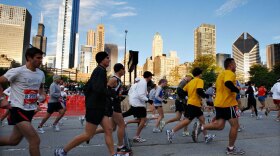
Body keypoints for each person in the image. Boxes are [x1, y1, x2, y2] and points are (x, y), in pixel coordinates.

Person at [54, 51, 116, 156]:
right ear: (101, 60)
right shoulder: (99, 71)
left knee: (109, 130)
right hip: (95, 108)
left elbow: (88, 87)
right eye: (107, 58)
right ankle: (62, 151)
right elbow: (98, 88)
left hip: (99, 107)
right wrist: (111, 91)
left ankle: (113, 154)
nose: (109, 60)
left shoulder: (101, 71)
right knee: (88, 135)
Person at [0, 47, 46, 156]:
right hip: (18, 109)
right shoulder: (17, 71)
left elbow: (41, 88)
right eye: (38, 58)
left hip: (30, 110)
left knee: (13, 141)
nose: (40, 60)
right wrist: (2, 99)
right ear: (29, 58)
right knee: (35, 140)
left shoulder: (41, 73)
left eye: (41, 58)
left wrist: (42, 95)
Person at [196, 58, 245, 155]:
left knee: (220, 126)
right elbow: (228, 83)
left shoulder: (221, 75)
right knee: (235, 126)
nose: (236, 66)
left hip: (219, 103)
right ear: (231, 65)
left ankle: (201, 127)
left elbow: (224, 86)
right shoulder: (230, 73)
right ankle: (230, 149)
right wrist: (237, 90)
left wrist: (235, 88)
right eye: (235, 64)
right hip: (228, 103)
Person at [166, 67, 214, 144]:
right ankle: (171, 131)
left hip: (192, 104)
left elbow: (180, 90)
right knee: (187, 121)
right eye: (201, 73)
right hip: (194, 104)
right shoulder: (200, 81)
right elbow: (199, 91)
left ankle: (206, 137)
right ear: (200, 74)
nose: (202, 75)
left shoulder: (190, 82)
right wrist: (206, 96)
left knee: (202, 119)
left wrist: (187, 96)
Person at [95, 63, 131, 154]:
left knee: (112, 128)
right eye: (123, 69)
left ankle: (91, 133)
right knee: (122, 125)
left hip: (115, 104)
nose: (125, 71)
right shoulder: (113, 79)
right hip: (113, 105)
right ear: (120, 70)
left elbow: (116, 92)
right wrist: (114, 97)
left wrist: (123, 94)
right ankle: (120, 146)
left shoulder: (118, 80)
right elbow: (106, 91)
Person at [123, 71, 153, 143]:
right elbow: (141, 95)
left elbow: (132, 93)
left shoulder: (139, 83)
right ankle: (136, 136)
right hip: (138, 104)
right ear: (149, 77)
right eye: (151, 77)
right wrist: (148, 100)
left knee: (139, 119)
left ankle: (124, 121)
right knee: (143, 120)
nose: (151, 78)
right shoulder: (143, 83)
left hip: (135, 103)